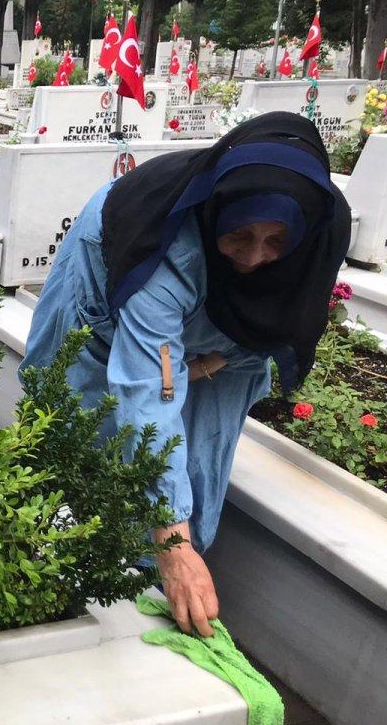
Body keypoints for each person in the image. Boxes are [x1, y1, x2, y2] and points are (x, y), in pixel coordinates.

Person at [21, 112, 350, 637]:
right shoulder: (167, 246)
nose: (253, 258)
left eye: (274, 242)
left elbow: (281, 323)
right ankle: (88, 577)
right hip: (106, 301)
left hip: (221, 344)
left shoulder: (318, 234)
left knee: (201, 459)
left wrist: (207, 365)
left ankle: (161, 587)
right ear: (219, 214)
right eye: (240, 236)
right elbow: (147, 390)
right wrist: (171, 542)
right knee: (90, 436)